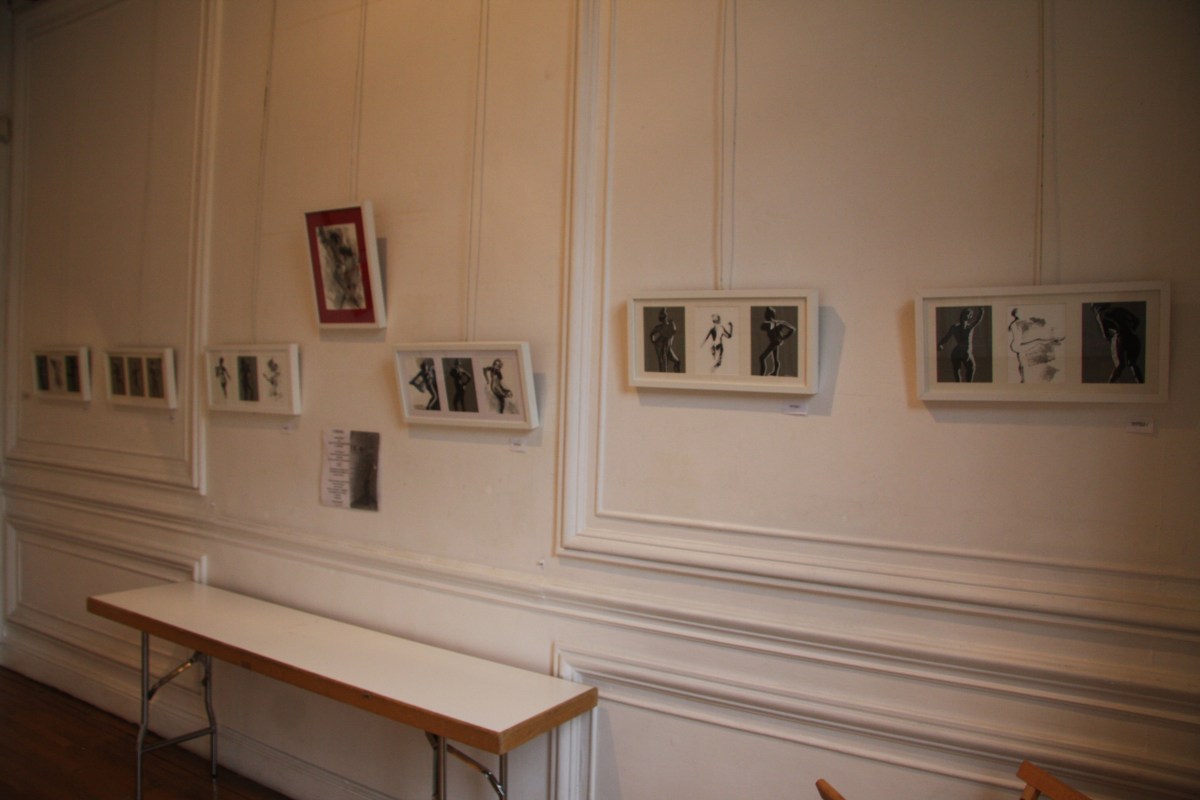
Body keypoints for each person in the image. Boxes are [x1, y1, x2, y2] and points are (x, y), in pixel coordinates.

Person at [1092, 303, 1143, 383]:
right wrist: (1129, 330)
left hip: (1119, 337)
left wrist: (1115, 336)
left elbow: (1105, 335)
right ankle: (1140, 384)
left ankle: (1109, 386)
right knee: (1132, 364)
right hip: (1133, 337)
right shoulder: (1119, 309)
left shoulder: (1100, 315)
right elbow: (1137, 321)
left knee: (1119, 365)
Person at [936, 306, 985, 382]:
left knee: (961, 370)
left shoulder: (957, 327)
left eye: (970, 314)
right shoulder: (967, 327)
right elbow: (978, 320)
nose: (970, 316)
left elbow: (946, 338)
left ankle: (961, 385)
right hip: (964, 352)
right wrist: (981, 311)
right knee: (969, 368)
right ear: (965, 315)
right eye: (969, 314)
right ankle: (965, 385)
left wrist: (940, 344)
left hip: (958, 352)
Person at [757, 306, 795, 376]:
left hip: (775, 342)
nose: (765, 315)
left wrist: (784, 337)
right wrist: (783, 338)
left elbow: (792, 329)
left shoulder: (777, 323)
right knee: (775, 358)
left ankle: (762, 375)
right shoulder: (774, 323)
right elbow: (762, 328)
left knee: (762, 358)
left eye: (766, 314)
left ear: (769, 315)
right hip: (775, 342)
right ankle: (775, 372)